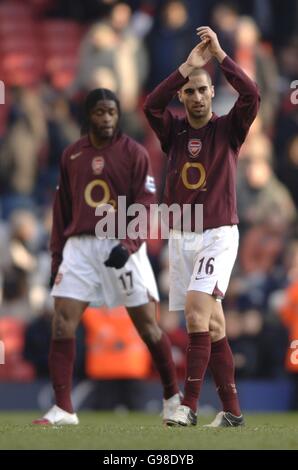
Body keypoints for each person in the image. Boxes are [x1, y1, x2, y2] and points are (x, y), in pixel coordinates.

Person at [33, 88, 180, 425]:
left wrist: (128, 244)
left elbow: (146, 204)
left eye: (112, 112)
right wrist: (57, 259)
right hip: (81, 246)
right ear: (89, 116)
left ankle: (173, 398)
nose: (107, 118)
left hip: (120, 241)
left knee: (147, 326)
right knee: (61, 321)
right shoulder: (72, 155)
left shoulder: (135, 153)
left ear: (118, 115)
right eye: (100, 112)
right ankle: (64, 408)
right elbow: (62, 211)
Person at [144, 26, 260, 427]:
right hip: (181, 236)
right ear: (182, 96)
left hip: (217, 234)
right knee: (212, 325)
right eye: (189, 91)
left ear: (213, 93)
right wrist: (186, 68)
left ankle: (188, 406)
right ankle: (232, 414)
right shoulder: (173, 132)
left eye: (202, 89)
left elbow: (252, 95)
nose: (196, 96)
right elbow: (150, 106)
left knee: (195, 315)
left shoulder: (229, 129)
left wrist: (222, 56)